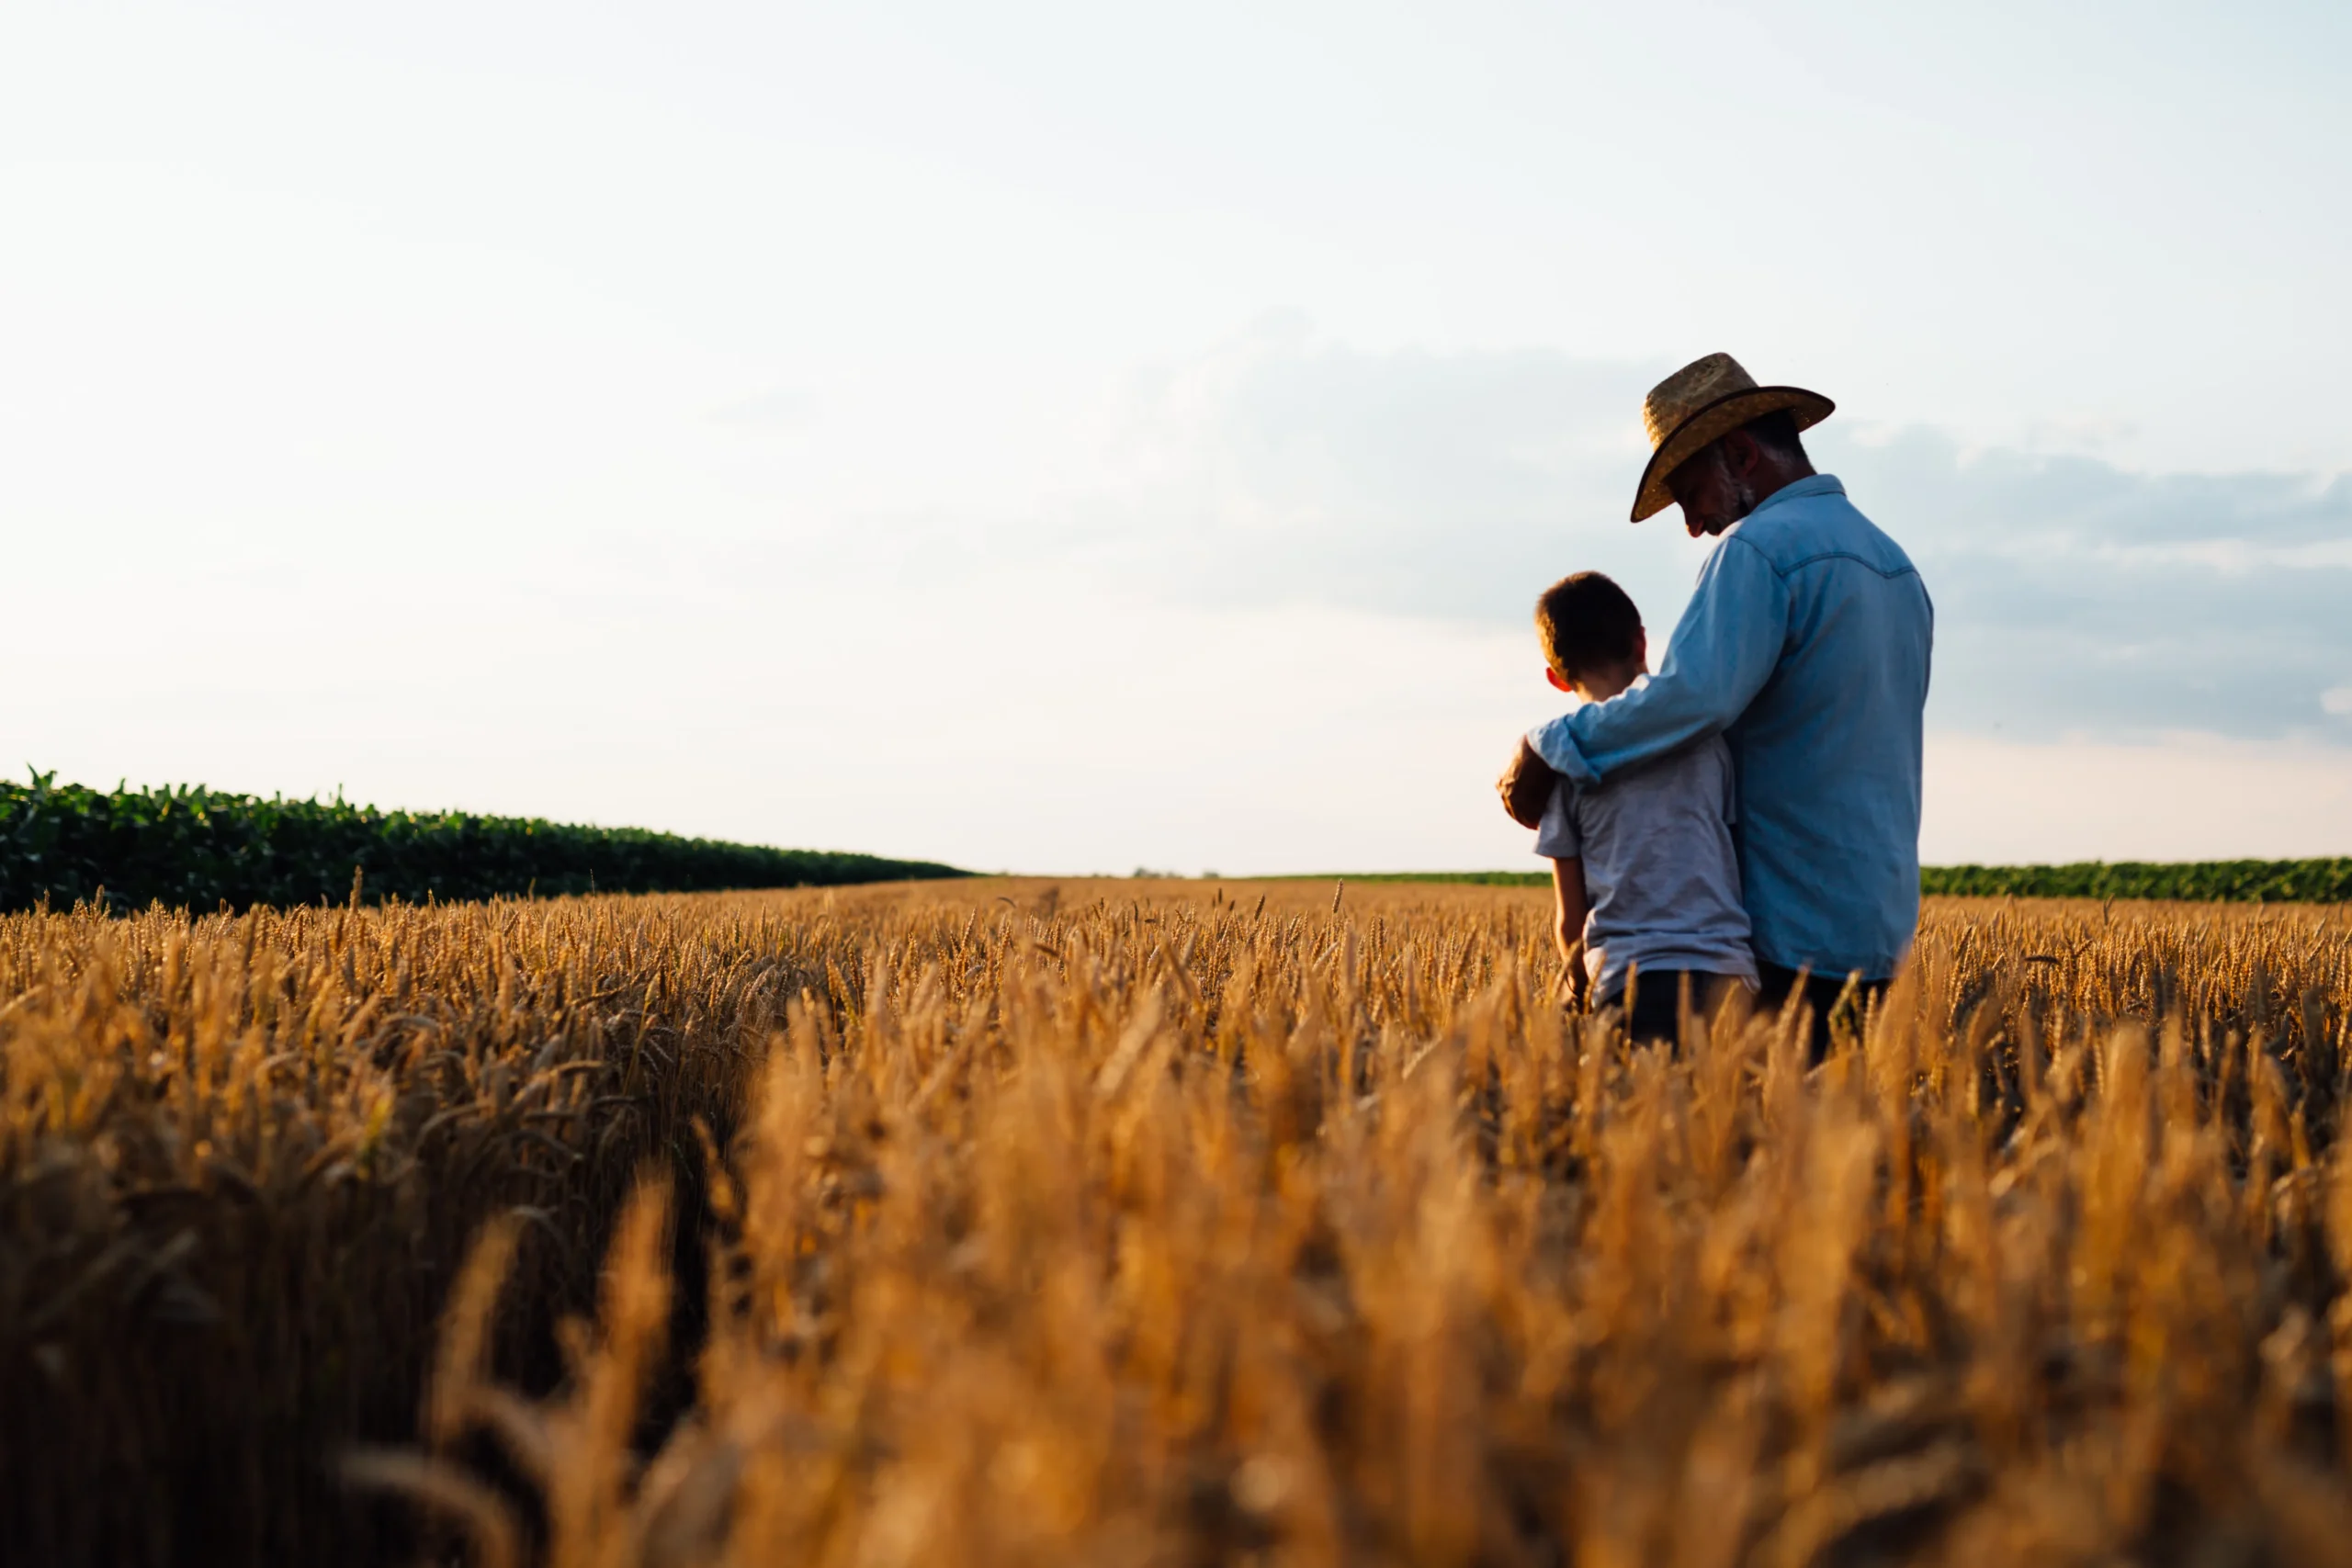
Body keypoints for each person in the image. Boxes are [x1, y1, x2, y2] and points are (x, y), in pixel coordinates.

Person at [1498, 354, 1933, 1060]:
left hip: (1787, 932)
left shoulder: (1761, 551)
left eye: (1693, 494)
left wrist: (1550, 743)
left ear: (1740, 453)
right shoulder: (1894, 564)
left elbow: (1690, 700)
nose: (1696, 525)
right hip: (1881, 930)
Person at [1529, 570, 1756, 1045]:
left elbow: (1571, 919)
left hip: (1629, 981)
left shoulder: (1566, 762)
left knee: (1641, 1114)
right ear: (1641, 642)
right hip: (1728, 977)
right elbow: (1739, 862)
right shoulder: (1708, 743)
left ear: (1555, 677)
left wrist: (1578, 988)